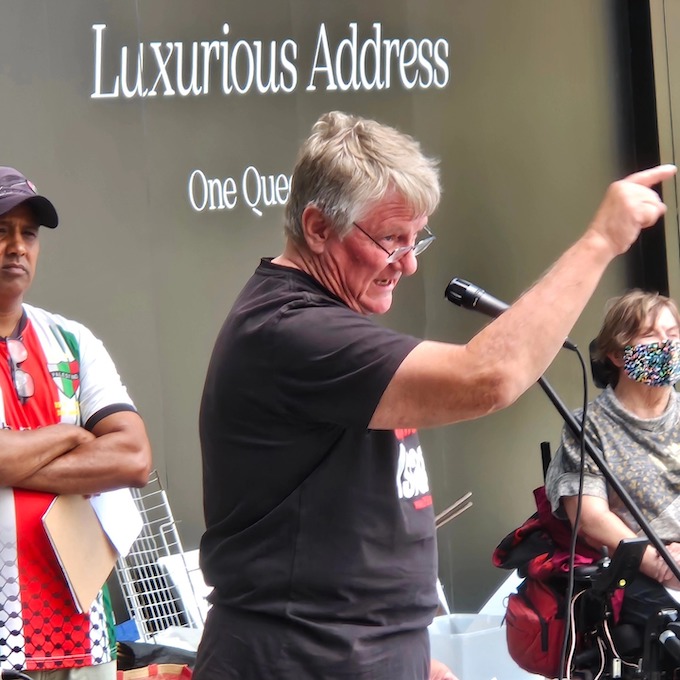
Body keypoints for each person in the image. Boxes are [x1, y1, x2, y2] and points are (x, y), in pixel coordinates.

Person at [195, 110, 676, 680]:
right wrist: (599, 242)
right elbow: (488, 378)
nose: (410, 262)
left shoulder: (320, 323)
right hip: (299, 660)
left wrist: (411, 656)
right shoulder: (291, 331)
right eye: (390, 240)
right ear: (318, 228)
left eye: (415, 237)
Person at [0, 166, 152, 679]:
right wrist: (72, 434)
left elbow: (133, 458)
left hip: (81, 633)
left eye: (28, 233)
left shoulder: (71, 340)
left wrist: (13, 458)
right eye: (1, 230)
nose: (17, 247)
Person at [546, 289, 680, 628]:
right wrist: (658, 563)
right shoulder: (589, 427)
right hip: (639, 569)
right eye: (651, 336)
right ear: (618, 354)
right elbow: (589, 518)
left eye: (673, 334)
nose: (667, 345)